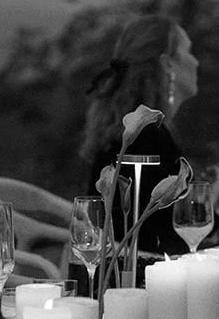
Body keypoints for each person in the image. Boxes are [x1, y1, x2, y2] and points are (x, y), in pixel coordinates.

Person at [83, 14, 199, 258]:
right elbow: (160, 232)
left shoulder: (132, 128)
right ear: (167, 64)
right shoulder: (143, 138)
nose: (196, 62)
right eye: (188, 52)